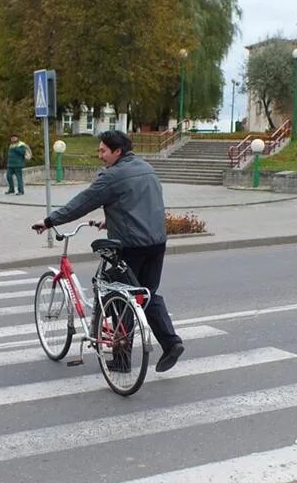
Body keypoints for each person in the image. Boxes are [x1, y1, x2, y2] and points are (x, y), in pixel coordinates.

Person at [32, 130, 184, 372]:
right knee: (146, 294)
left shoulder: (112, 176)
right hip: (156, 242)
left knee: (117, 295)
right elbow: (139, 203)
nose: (99, 154)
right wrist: (111, 220)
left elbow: (82, 203)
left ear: (117, 152)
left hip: (130, 245)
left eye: (103, 150)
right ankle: (171, 342)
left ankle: (122, 361)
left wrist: (50, 221)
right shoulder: (146, 168)